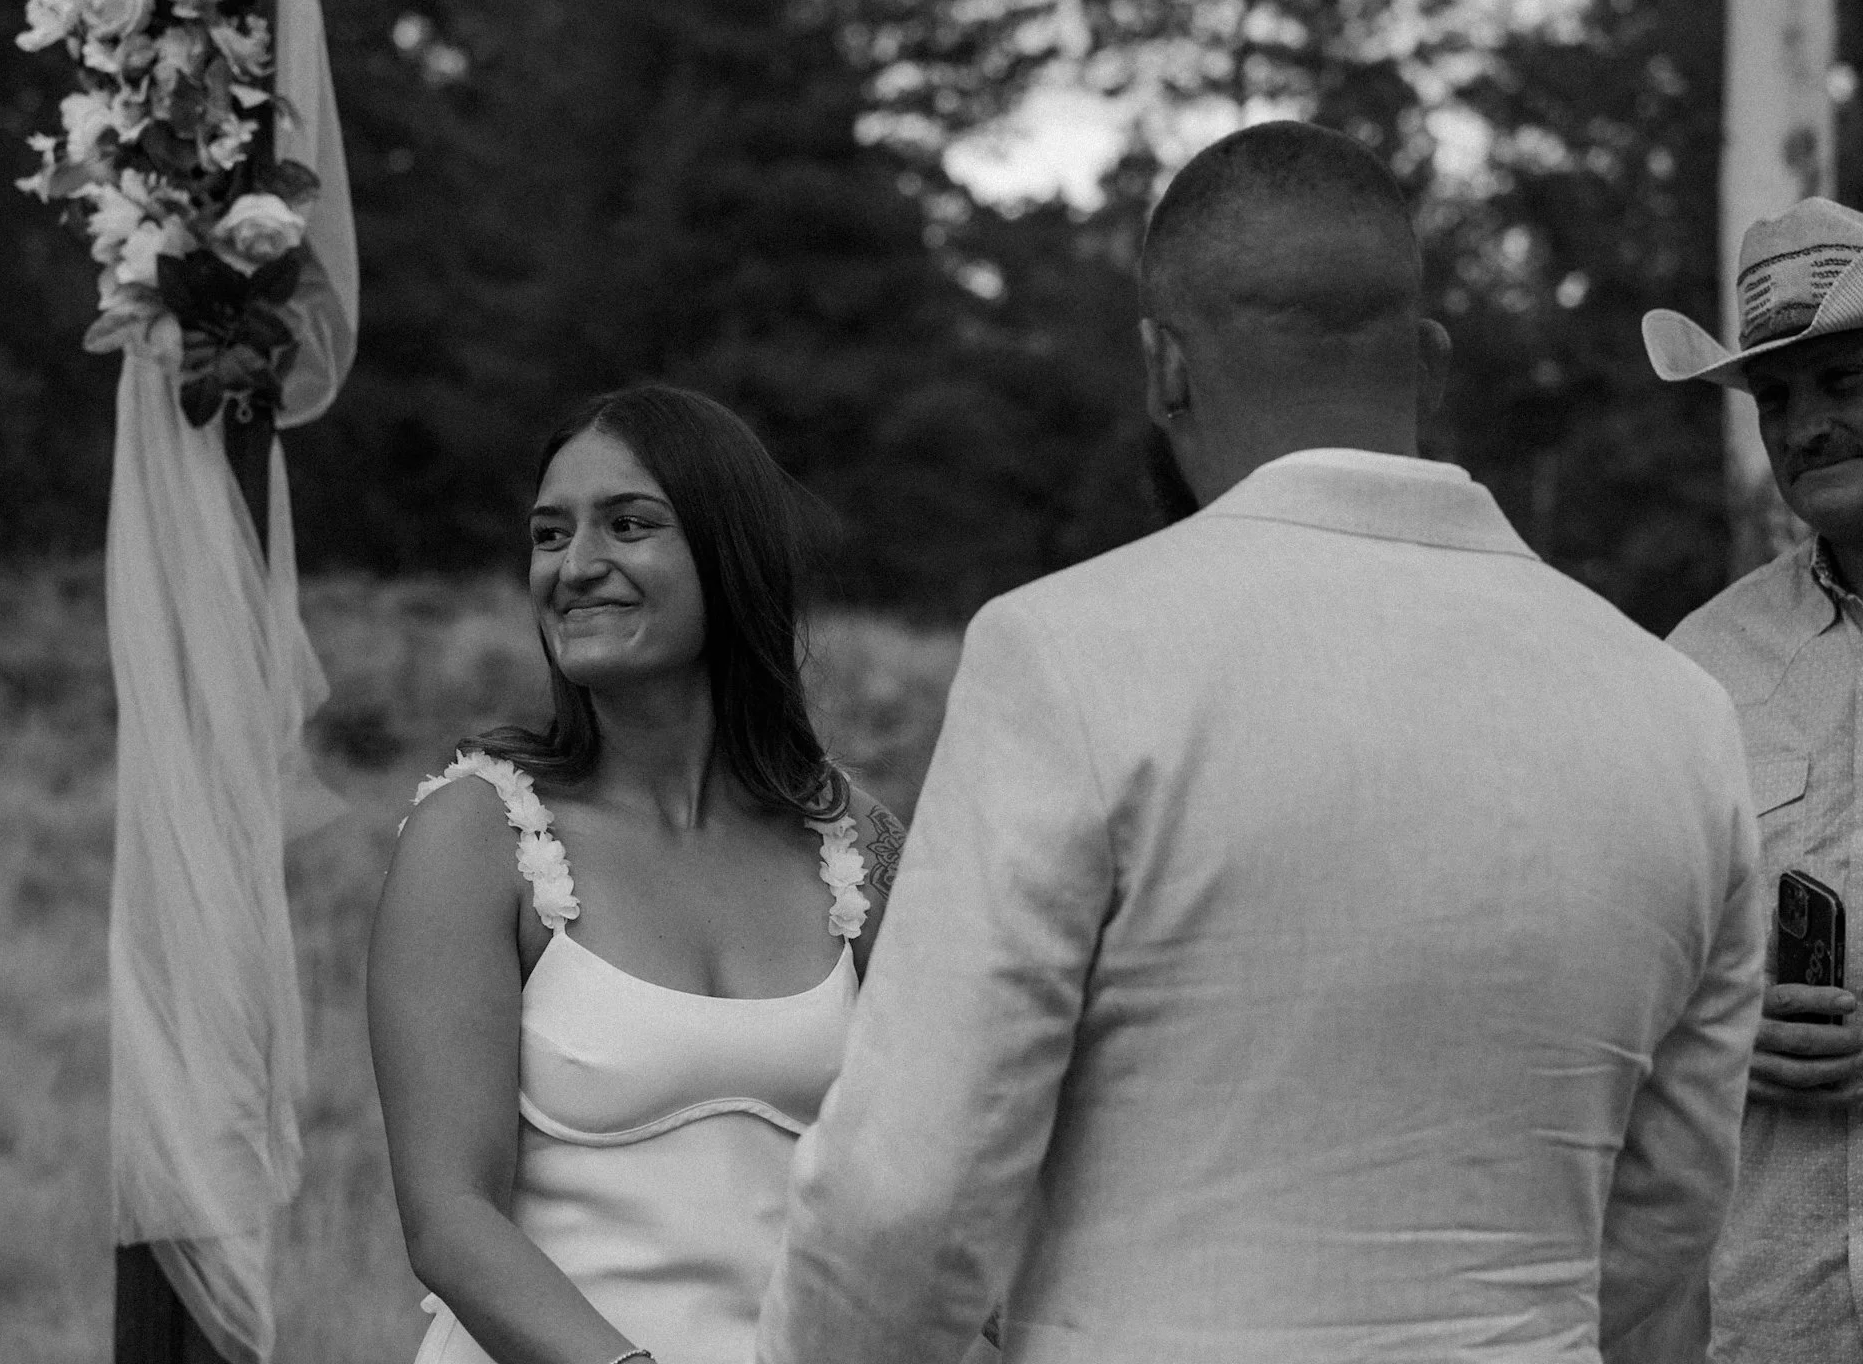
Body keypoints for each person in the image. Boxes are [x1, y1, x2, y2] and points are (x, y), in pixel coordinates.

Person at [756, 120, 1767, 1364]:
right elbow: (1668, 1213)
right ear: (1429, 363)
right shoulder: (1676, 712)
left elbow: (905, 1197)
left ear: (1161, 367)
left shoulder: (1065, 653)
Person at [368, 385, 910, 1364]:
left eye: (627, 525)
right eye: (548, 533)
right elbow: (448, 1217)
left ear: (728, 550)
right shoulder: (478, 831)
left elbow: (933, 1169)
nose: (575, 567)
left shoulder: (857, 845)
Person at [1645, 195, 1863, 1363]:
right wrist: (1715, 1026)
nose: (1805, 426)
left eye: (1840, 381)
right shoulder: (1698, 668)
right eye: (1775, 398)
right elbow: (1626, 966)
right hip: (1771, 1319)